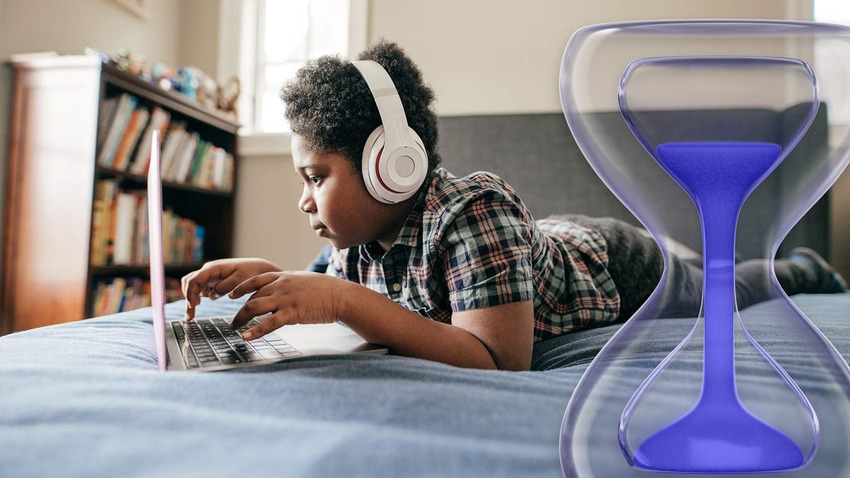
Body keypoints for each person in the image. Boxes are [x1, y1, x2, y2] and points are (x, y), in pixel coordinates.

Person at [181, 41, 847, 372]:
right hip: (546, 242)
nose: (303, 199)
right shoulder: (352, 245)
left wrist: (349, 304)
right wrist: (271, 277)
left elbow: (497, 360)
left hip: (622, 266)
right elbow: (325, 293)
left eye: (315, 176)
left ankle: (805, 266)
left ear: (392, 163)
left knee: (727, 286)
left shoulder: (474, 210)